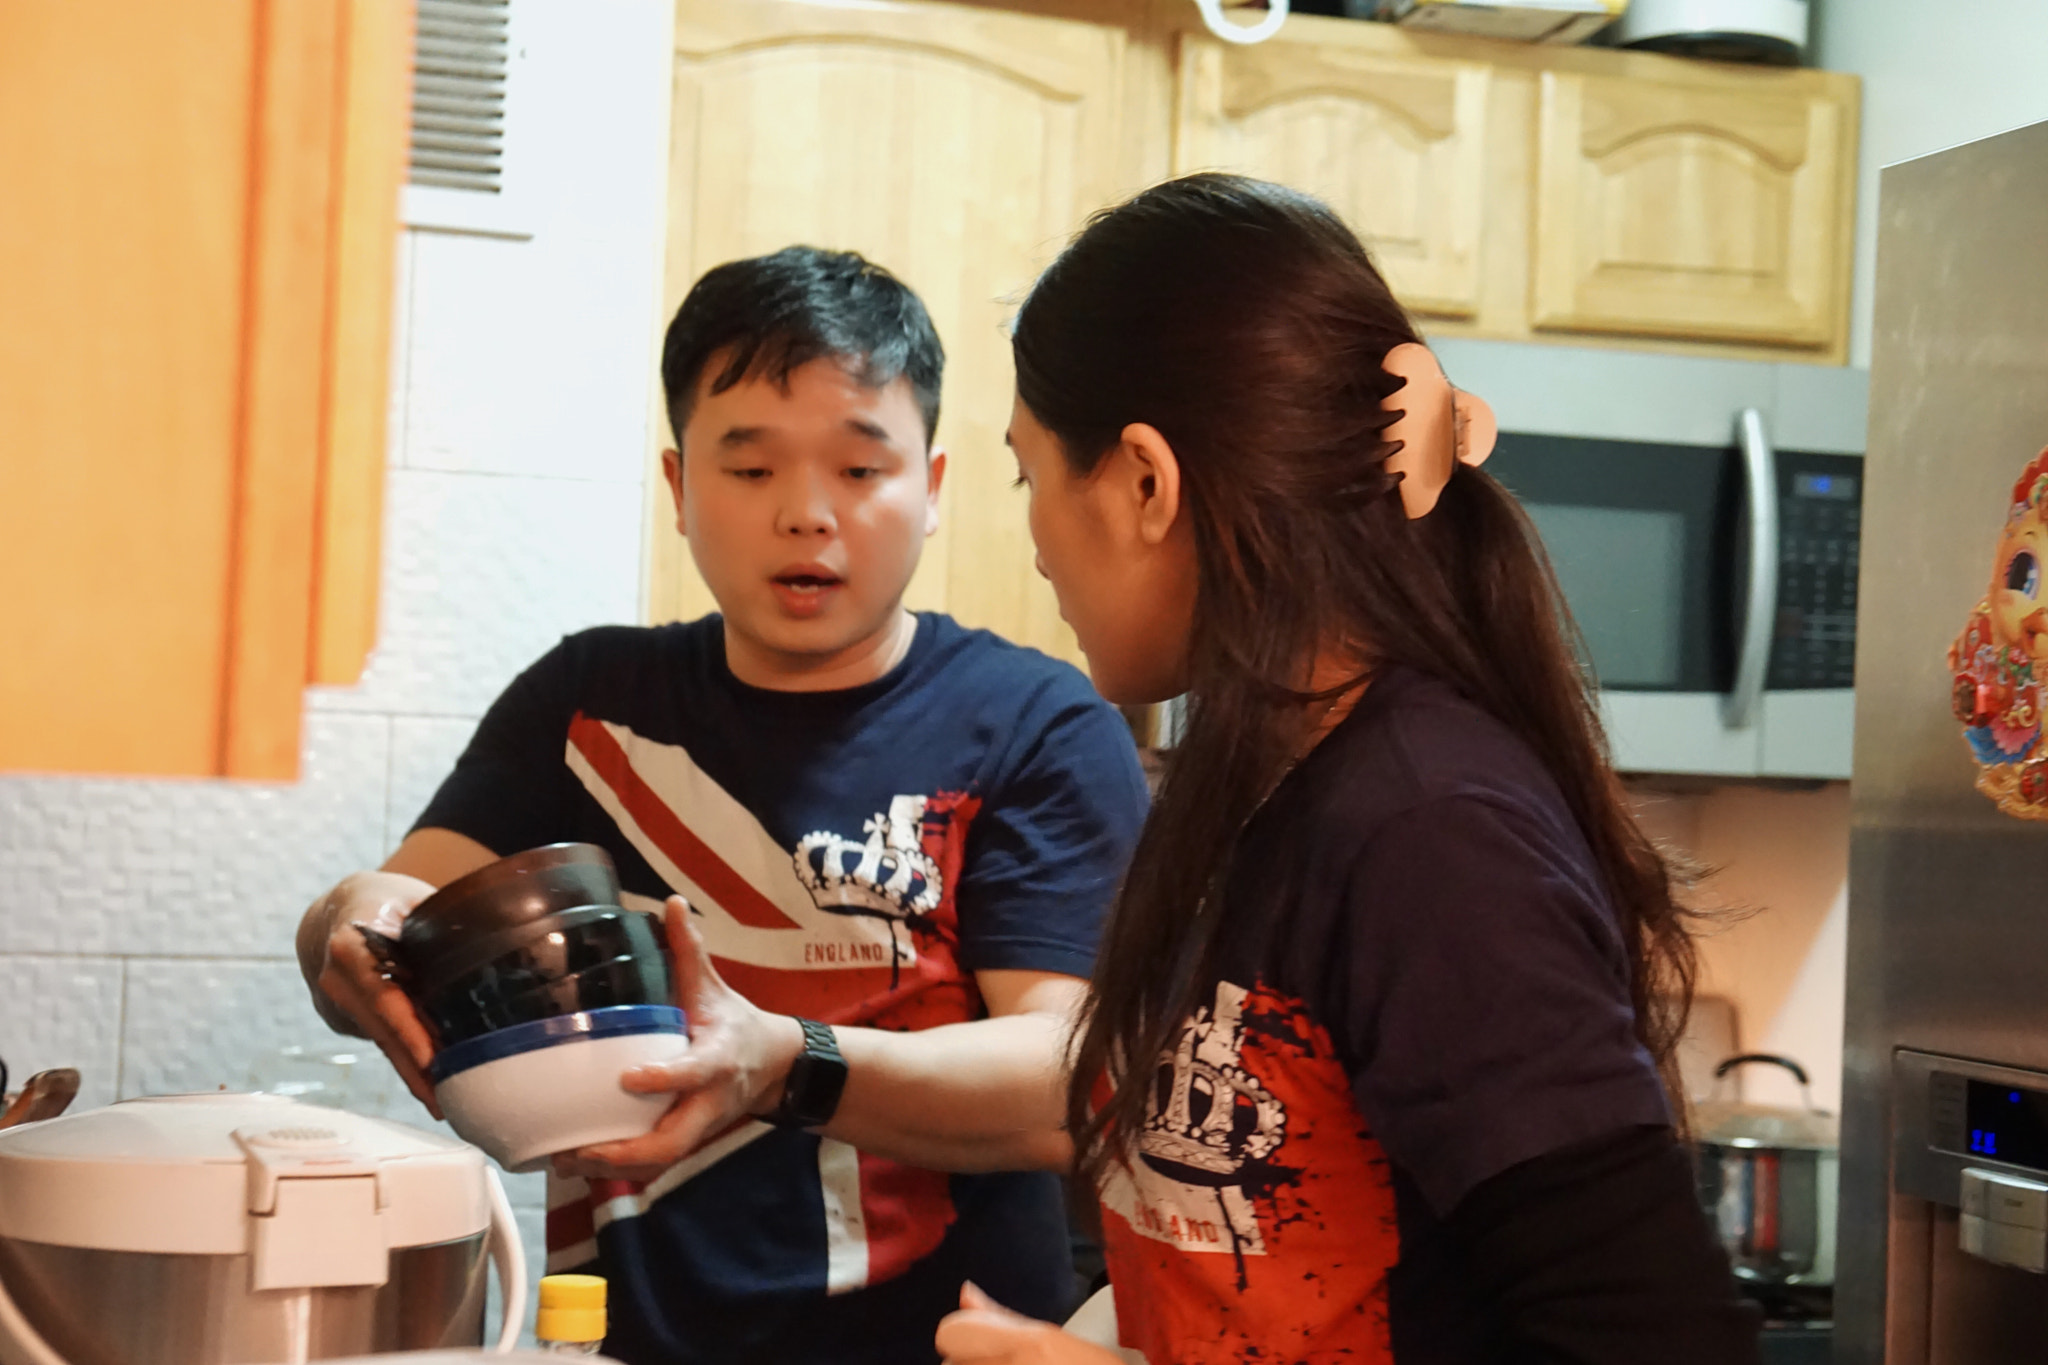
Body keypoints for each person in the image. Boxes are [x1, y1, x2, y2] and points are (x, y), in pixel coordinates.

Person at [915, 172, 1760, 1362]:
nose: (1038, 537)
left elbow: (1660, 1347)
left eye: (1029, 473)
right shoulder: (1257, 789)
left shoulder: (1428, 831)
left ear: (1145, 484)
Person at [295, 246, 1150, 1365]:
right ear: (678, 487)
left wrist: (782, 1061)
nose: (805, 515)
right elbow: (403, 899)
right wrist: (342, 927)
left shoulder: (1036, 723)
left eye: (859, 470)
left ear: (931, 490)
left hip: (949, 1346)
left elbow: (1069, 1078)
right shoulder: (589, 704)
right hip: (614, 1342)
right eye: (749, 472)